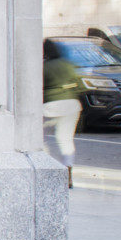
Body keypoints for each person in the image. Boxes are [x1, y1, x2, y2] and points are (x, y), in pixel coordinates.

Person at [43, 46, 84, 188]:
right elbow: (81, 86)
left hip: (50, 106)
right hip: (72, 105)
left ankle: (45, 170)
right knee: (65, 139)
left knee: (40, 139)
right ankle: (68, 175)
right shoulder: (69, 64)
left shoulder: (45, 67)